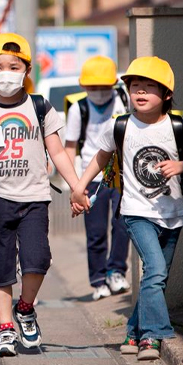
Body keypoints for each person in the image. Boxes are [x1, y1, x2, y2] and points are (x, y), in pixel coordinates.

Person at [71, 56, 183, 361]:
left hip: (172, 215)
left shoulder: (179, 126)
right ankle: (154, 336)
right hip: (136, 212)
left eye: (148, 87)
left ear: (166, 95)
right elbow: (99, 158)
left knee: (157, 276)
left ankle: (133, 332)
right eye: (134, 86)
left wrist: (182, 165)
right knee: (155, 270)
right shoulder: (120, 125)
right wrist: (79, 187)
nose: (139, 92)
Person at [0, 33, 83, 357]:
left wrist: (76, 187)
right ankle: (5, 330)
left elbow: (56, 151)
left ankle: (25, 308)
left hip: (35, 198)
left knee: (37, 259)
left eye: (13, 66)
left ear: (27, 70)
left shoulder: (40, 106)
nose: (5, 72)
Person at [64, 56, 131, 301]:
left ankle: (116, 271)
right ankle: (98, 280)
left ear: (113, 83)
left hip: (121, 174)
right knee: (95, 232)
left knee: (123, 224)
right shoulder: (78, 108)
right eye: (93, 87)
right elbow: (70, 146)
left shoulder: (124, 101)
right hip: (92, 177)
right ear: (83, 86)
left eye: (104, 87)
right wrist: (74, 184)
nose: (99, 92)